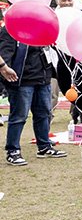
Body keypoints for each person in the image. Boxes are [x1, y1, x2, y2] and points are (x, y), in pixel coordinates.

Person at [0, 25, 65, 166]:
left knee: (44, 114)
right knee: (19, 116)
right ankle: (13, 151)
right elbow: (5, 51)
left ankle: (44, 146)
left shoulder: (41, 27)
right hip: (21, 80)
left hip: (43, 77)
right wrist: (5, 70)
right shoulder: (11, 28)